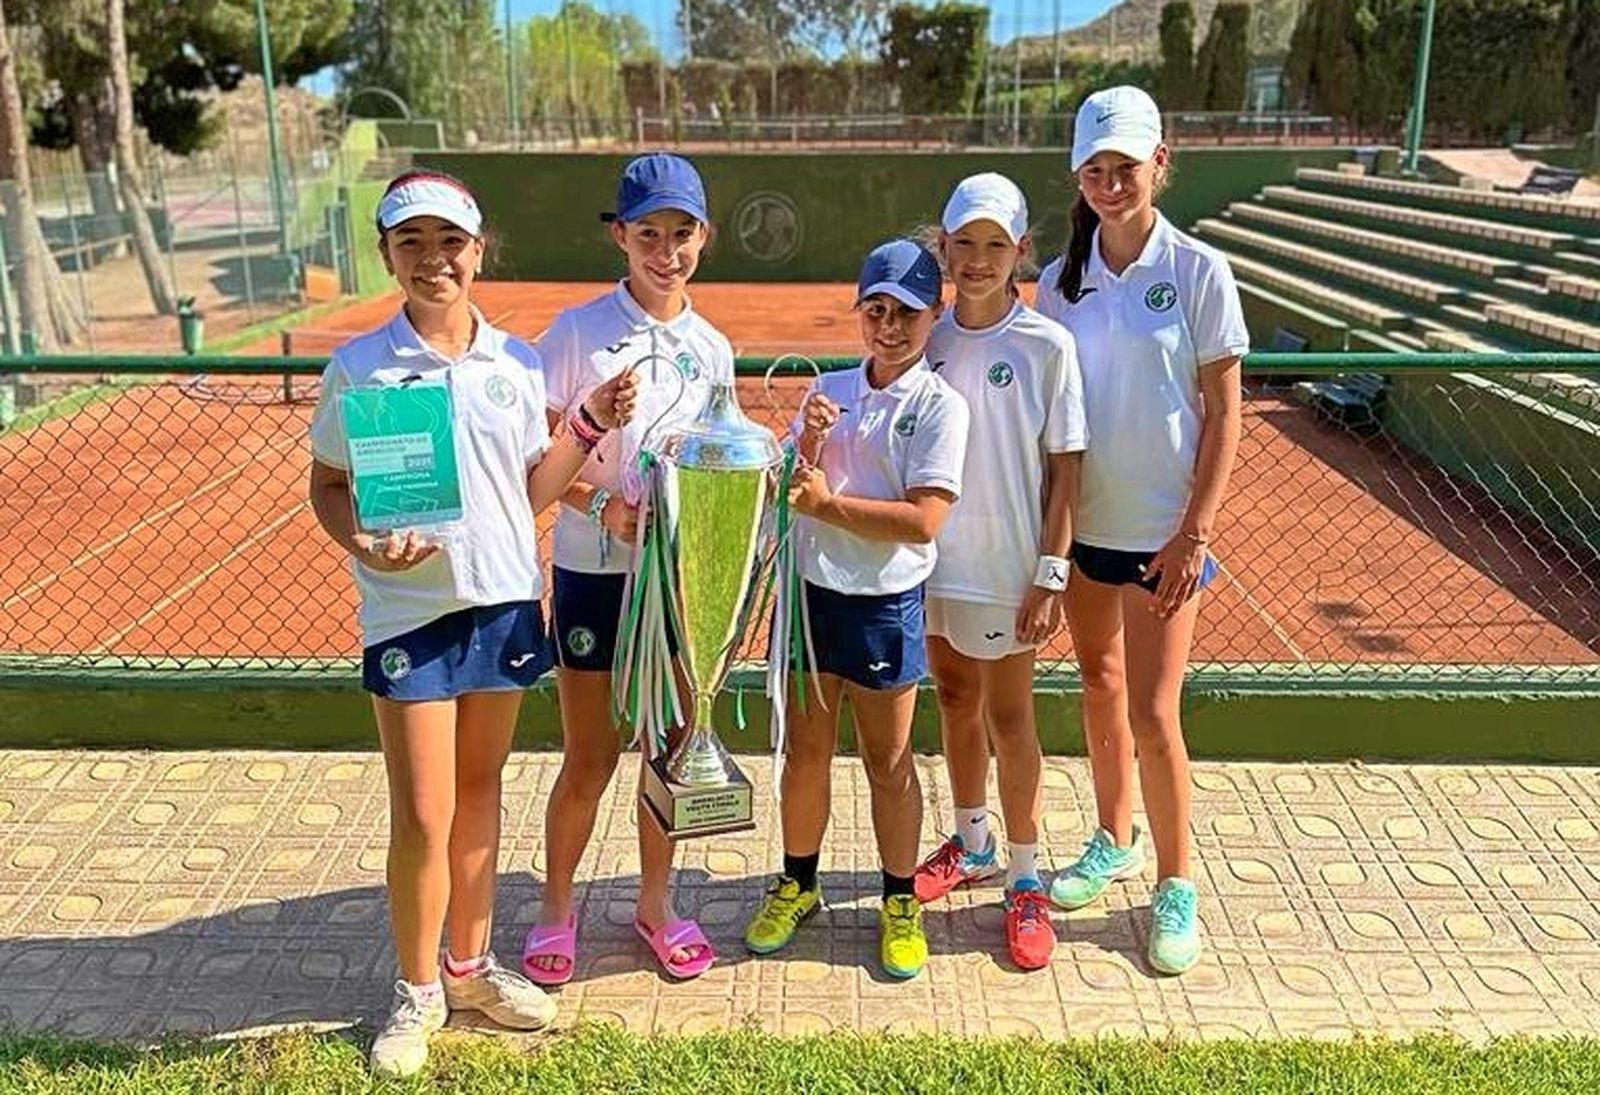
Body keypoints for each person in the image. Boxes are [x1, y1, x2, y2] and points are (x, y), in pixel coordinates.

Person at [308, 170, 638, 1077]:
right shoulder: (360, 367)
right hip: (411, 614)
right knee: (422, 810)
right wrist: (365, 543)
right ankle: (415, 990)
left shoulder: (516, 363)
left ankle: (469, 967)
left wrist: (585, 422)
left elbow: (532, 491)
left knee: (481, 795)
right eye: (410, 244)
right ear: (387, 257)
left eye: (448, 242)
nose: (432, 260)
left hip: (501, 603)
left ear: (478, 251)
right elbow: (330, 488)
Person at [1034, 86, 1248, 976]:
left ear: (1161, 163)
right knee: (1098, 683)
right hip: (1087, 527)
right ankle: (1111, 837)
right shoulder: (1057, 282)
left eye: (1127, 167)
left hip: (1165, 536)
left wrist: (1194, 534)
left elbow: (1227, 414)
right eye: (1096, 170)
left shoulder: (1199, 271)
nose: (1112, 184)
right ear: (1079, 177)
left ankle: (1174, 880)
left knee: (1157, 711)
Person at [522, 153, 731, 986]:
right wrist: (594, 501)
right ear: (621, 235)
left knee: (669, 748)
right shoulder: (575, 331)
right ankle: (555, 908)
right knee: (590, 753)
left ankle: (655, 903)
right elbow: (531, 451)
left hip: (677, 583)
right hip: (592, 576)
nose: (666, 250)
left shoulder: (713, 347)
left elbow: (719, 459)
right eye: (649, 233)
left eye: (682, 233)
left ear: (703, 238)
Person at [742, 239, 970, 981]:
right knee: (806, 752)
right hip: (811, 599)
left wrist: (828, 504)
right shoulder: (830, 389)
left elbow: (923, 520)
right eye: (876, 309)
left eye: (906, 311)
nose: (890, 325)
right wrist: (803, 441)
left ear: (934, 313)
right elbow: (785, 485)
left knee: (888, 760)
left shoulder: (941, 406)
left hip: (884, 606)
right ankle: (798, 882)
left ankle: (899, 898)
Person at [913, 173, 1087, 972]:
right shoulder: (926, 338)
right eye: (964, 244)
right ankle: (974, 839)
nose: (978, 260)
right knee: (953, 697)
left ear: (1021, 251)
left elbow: (1066, 468)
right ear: (942, 248)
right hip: (933, 564)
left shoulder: (1047, 344)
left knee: (1011, 719)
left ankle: (1024, 874)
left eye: (995, 245)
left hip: (1011, 568)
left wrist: (1051, 571)